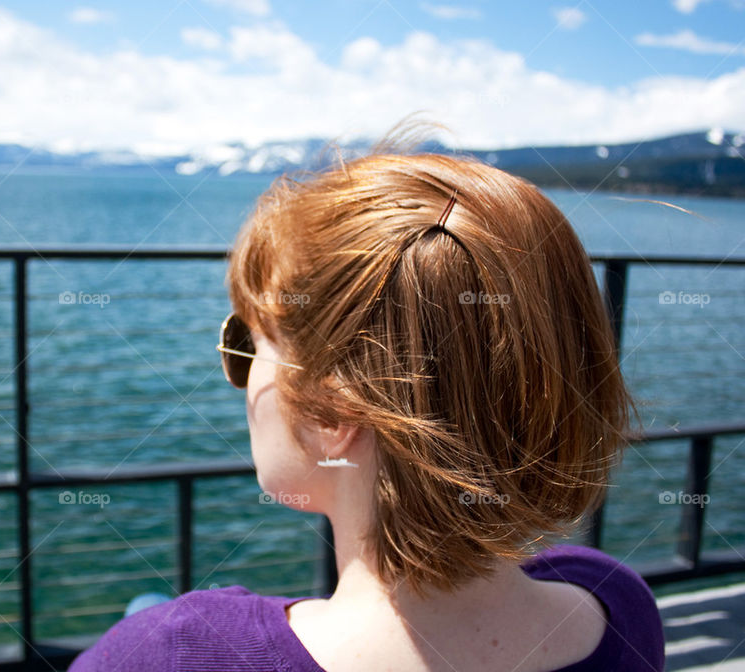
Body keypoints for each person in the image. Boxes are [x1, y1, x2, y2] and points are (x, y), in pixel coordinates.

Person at [68, 119, 665, 671]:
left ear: (331, 410)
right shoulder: (617, 602)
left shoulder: (177, 648)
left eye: (247, 343)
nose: (240, 373)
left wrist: (150, 628)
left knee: (143, 603)